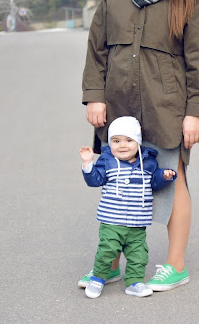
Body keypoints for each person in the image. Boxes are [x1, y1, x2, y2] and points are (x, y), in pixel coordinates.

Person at [80, 0, 199, 292]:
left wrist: (195, 112)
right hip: (119, 104)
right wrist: (94, 96)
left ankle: (176, 265)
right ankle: (109, 264)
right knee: (116, 182)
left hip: (166, 106)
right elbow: (97, 49)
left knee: (173, 181)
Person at [79, 116, 177, 298]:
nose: (122, 145)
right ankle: (98, 279)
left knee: (139, 255)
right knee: (107, 251)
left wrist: (164, 176)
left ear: (138, 142)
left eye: (129, 140)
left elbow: (153, 184)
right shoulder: (107, 161)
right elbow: (95, 180)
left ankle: (134, 282)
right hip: (111, 221)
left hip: (137, 222)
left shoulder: (148, 163)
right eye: (116, 141)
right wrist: (88, 164)